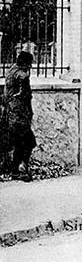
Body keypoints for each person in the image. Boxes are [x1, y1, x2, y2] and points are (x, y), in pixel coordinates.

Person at [4, 51, 36, 181]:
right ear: (26, 64)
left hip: (11, 113)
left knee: (19, 143)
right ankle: (21, 169)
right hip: (20, 115)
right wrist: (29, 114)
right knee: (29, 142)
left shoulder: (10, 71)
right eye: (29, 64)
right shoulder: (23, 76)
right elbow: (25, 96)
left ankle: (15, 171)